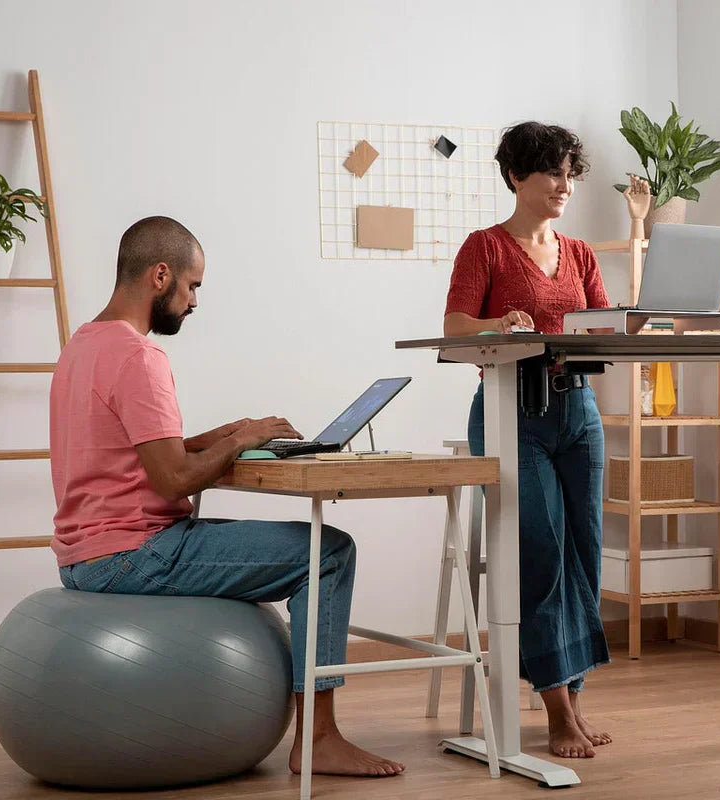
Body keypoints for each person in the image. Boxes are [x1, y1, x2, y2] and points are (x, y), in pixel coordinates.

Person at [48, 216, 404, 778]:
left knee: (316, 548)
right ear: (160, 276)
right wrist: (241, 441)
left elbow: (133, 449)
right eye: (192, 286)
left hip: (83, 554)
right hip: (134, 553)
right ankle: (319, 739)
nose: (193, 301)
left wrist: (224, 433)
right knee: (330, 553)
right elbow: (172, 480)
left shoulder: (82, 346)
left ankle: (319, 732)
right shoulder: (139, 357)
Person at [442, 122, 614, 759]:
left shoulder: (581, 253)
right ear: (516, 176)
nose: (564, 186)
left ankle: (575, 698)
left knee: (586, 552)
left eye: (570, 174)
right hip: (513, 411)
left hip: (579, 410)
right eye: (551, 173)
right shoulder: (484, 248)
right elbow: (455, 328)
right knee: (541, 553)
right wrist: (499, 322)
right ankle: (556, 709)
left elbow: (604, 327)